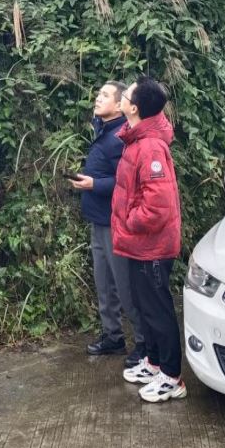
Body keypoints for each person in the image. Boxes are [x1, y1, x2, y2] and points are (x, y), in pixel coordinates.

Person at [111, 76, 186, 402]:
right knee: (145, 306)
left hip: (152, 246)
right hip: (140, 245)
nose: (122, 96)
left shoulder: (150, 146)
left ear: (134, 107)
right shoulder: (137, 139)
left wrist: (130, 221)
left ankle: (172, 377)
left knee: (157, 310)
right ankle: (154, 363)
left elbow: (158, 206)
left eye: (126, 94)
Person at [70, 81, 145, 367]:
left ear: (119, 105)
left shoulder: (122, 137)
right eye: (98, 93)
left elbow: (128, 181)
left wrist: (94, 184)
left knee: (124, 286)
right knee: (104, 284)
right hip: (98, 221)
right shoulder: (103, 130)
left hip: (116, 223)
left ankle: (144, 343)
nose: (98, 98)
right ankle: (113, 336)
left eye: (105, 95)